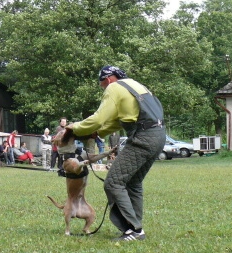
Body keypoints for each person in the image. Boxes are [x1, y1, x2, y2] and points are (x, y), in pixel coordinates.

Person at [65, 65, 165, 242]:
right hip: (158, 135)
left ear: (109, 79)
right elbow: (123, 120)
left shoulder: (114, 87)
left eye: (102, 84)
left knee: (113, 183)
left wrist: (75, 127)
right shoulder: (136, 86)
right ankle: (137, 230)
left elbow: (98, 118)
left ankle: (133, 230)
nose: (102, 88)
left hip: (143, 138)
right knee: (133, 182)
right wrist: (99, 133)